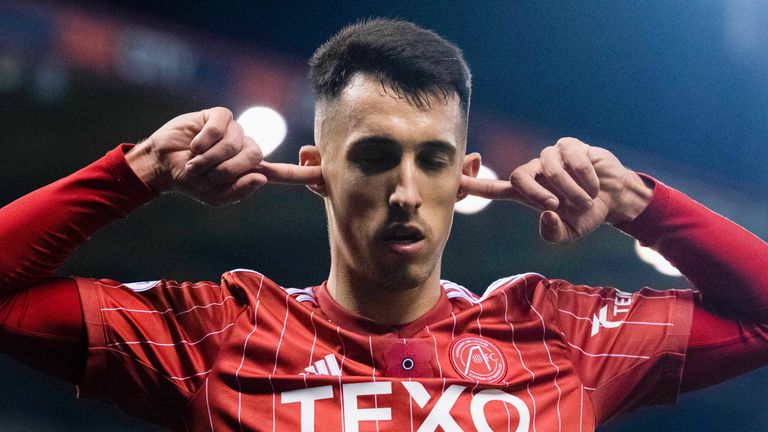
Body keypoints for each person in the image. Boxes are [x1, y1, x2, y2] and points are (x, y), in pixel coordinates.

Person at [1, 18, 767, 431]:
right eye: (373, 157)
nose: (405, 191)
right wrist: (137, 173)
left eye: (433, 160)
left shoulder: (561, 335)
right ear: (315, 168)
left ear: (468, 176)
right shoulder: (214, 333)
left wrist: (640, 204)